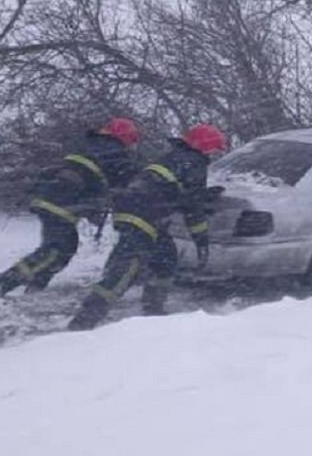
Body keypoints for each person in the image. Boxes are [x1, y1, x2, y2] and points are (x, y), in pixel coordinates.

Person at [67, 123, 228, 331]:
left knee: (166, 259)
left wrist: (200, 196)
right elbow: (193, 209)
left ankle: (154, 311)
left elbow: (173, 191)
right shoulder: (194, 163)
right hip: (144, 215)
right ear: (205, 146)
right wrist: (201, 239)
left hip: (137, 210)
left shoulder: (175, 157)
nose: (213, 154)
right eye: (213, 149)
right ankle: (84, 320)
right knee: (126, 270)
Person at [0, 118, 141, 300]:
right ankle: (1, 283)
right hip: (62, 204)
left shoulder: (93, 145)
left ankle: (35, 288)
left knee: (61, 248)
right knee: (57, 249)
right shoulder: (115, 153)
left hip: (51, 198)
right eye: (132, 141)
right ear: (126, 137)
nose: (131, 147)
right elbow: (128, 180)